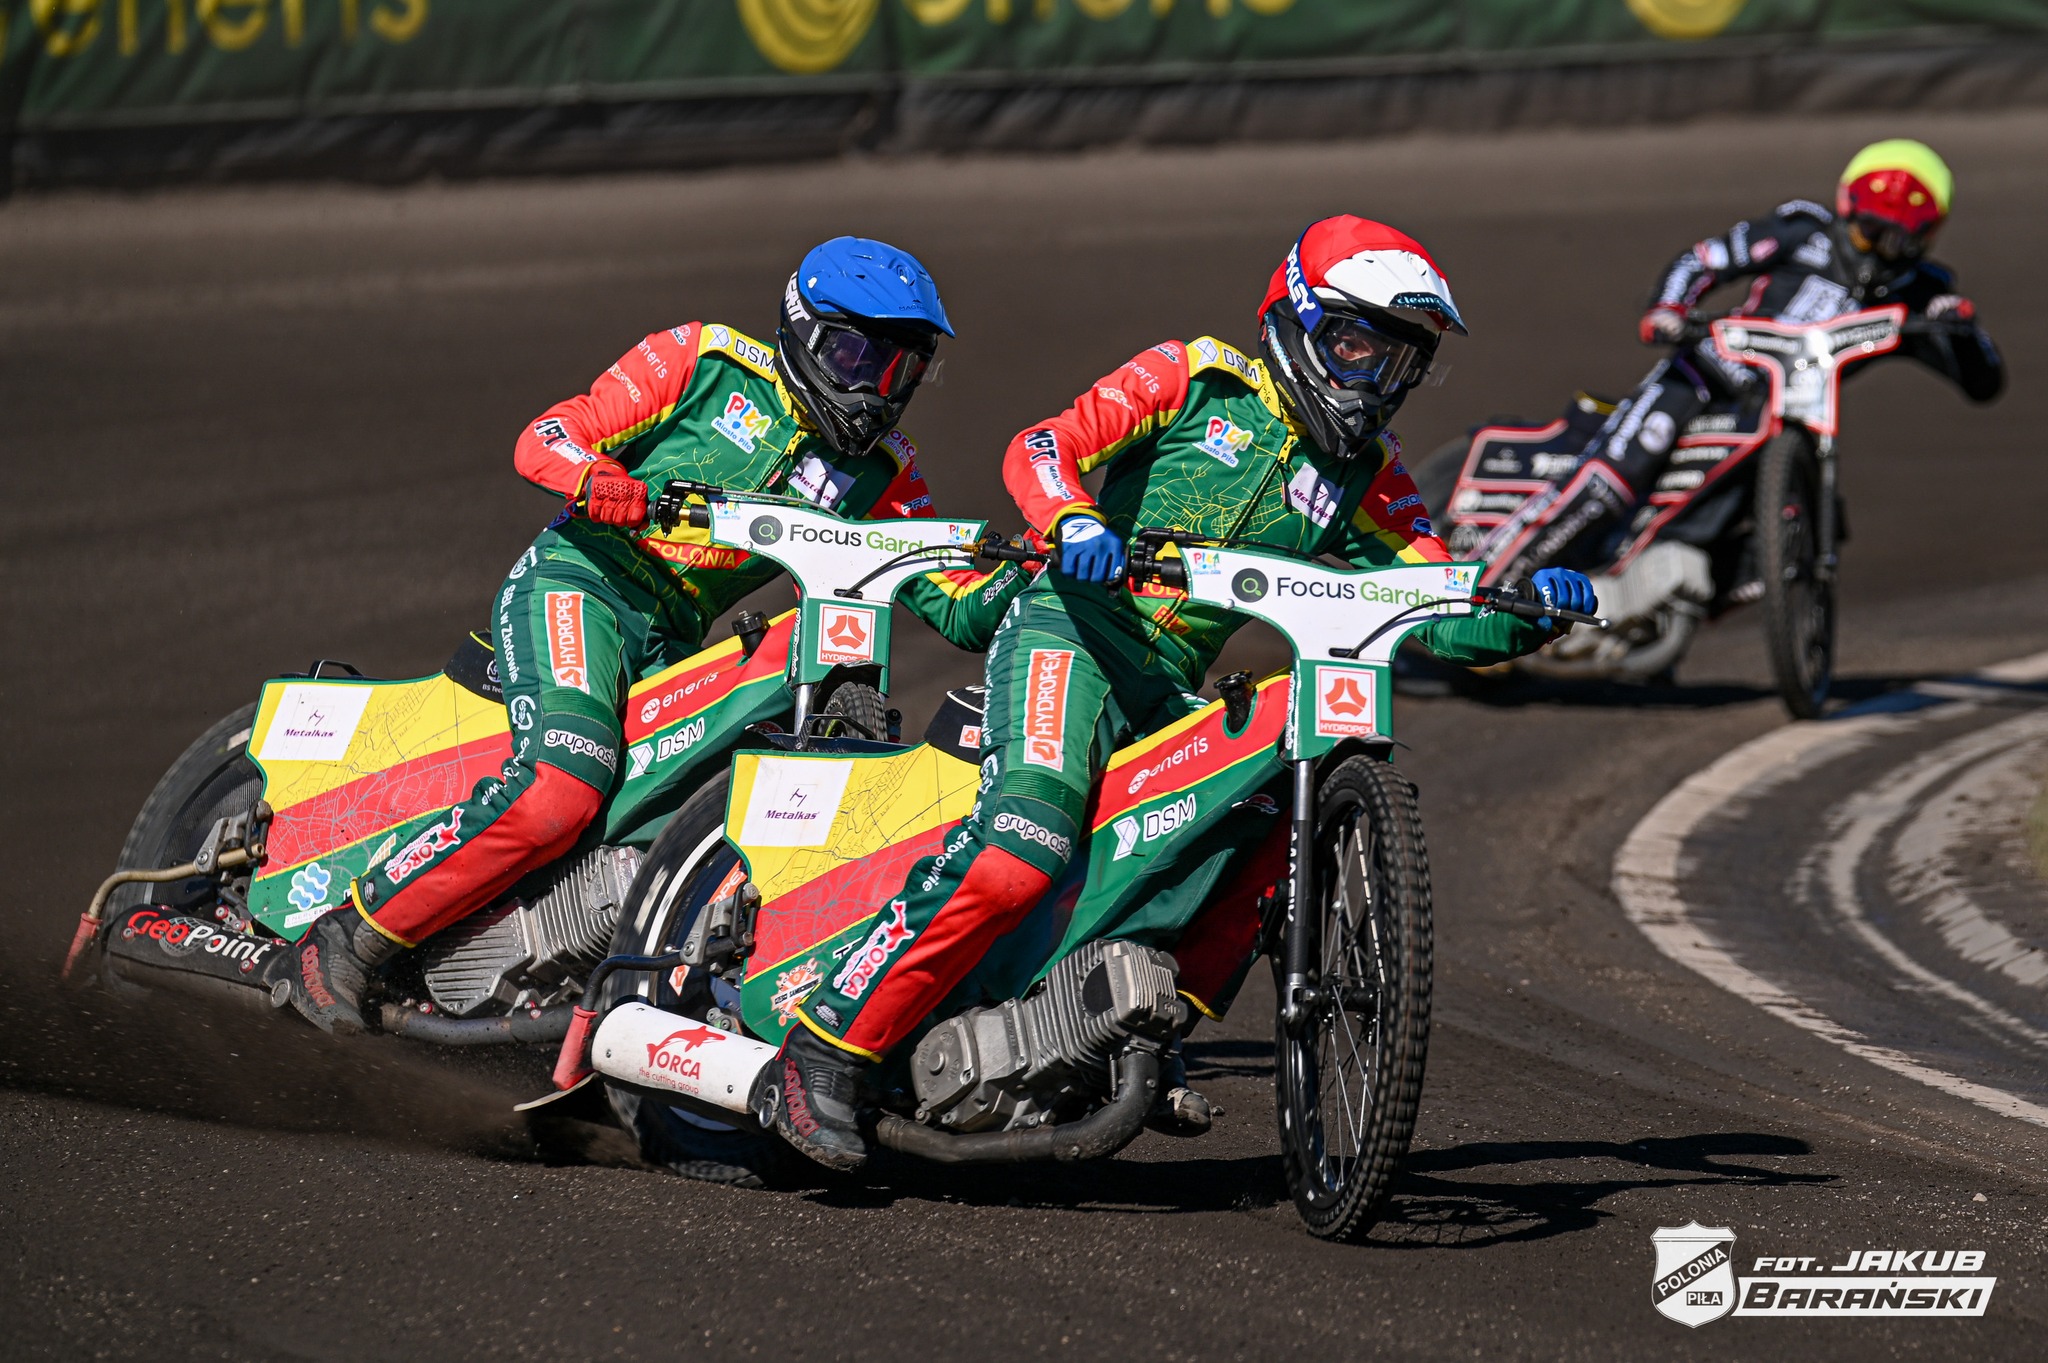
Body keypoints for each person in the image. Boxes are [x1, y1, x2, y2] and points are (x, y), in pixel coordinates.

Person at [769, 215, 1597, 1169]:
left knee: (1258, 817)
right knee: (1020, 849)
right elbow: (1043, 445)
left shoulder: (1369, 475)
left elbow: (1434, 607)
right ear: (1295, 320)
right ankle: (822, 1051)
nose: (1374, 379)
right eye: (1356, 346)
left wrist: (1526, 612)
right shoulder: (1194, 377)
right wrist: (1072, 519)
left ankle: (1132, 1026)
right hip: (1070, 637)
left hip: (1168, 688)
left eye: (1399, 361)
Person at [290, 237, 1031, 1034]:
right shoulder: (703, 360)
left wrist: (1037, 566)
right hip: (581, 585)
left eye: (902, 371)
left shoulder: (885, 473)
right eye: (859, 358)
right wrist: (597, 479)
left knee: (689, 807)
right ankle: (345, 936)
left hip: (673, 643)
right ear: (805, 332)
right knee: (562, 783)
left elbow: (960, 609)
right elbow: (547, 435)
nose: (876, 392)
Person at [1488, 138, 2005, 579]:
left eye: (1897, 241)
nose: (1875, 251)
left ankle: (1663, 599)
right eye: (1867, 231)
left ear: (1925, 236)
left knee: (1804, 524)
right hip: (1703, 377)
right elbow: (1705, 259)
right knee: (1615, 474)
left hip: (1786, 419)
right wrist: (1668, 308)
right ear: (1847, 207)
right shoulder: (1804, 229)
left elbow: (1984, 382)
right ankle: (1489, 580)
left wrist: (1960, 328)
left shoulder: (1923, 291)